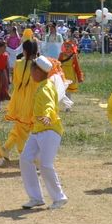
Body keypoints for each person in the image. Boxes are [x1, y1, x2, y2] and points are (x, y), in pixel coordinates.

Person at [20, 55, 68, 210]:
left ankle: (59, 198)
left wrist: (47, 115)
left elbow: (48, 104)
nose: (31, 74)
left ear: (38, 71)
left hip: (50, 130)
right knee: (26, 159)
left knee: (45, 164)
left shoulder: (46, 87)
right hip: (38, 130)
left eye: (32, 70)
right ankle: (36, 198)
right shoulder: (42, 85)